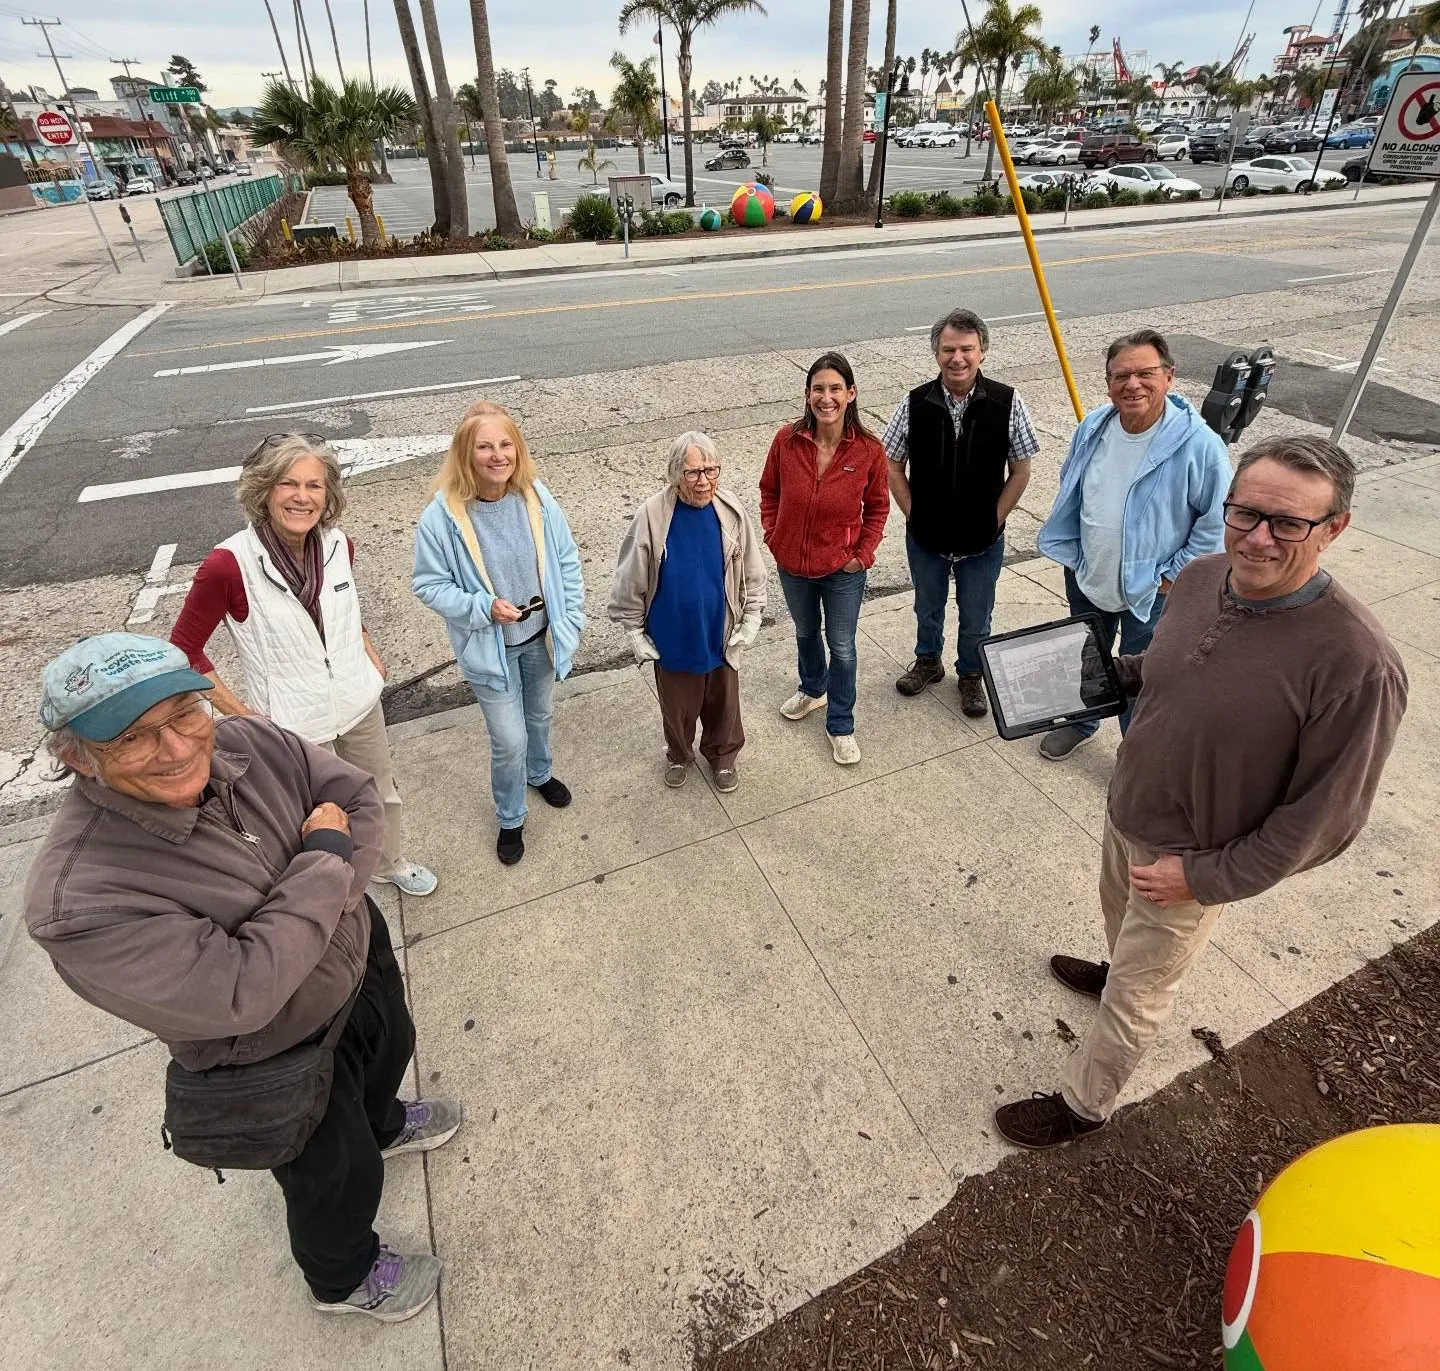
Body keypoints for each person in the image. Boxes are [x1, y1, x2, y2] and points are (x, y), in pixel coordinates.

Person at [23, 633, 462, 1322]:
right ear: (78, 757)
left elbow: (359, 798)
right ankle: (342, 1278)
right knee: (331, 1176)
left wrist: (303, 914)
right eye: (133, 737)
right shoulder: (78, 899)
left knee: (389, 1050)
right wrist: (322, 855)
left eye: (183, 715)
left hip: (358, 962)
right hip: (278, 1052)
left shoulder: (248, 742)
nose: (175, 748)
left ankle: (383, 1120)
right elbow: (245, 989)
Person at [994, 436, 1408, 1149]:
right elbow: (1166, 664)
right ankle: (1115, 966)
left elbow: (1323, 822)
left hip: (1192, 860)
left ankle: (1084, 1106)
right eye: (1245, 513)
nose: (1257, 537)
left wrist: (1205, 877)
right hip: (1130, 810)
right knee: (1119, 925)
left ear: (1333, 527)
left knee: (1139, 995)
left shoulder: (1357, 664)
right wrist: (1097, 674)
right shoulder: (1200, 576)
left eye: (1288, 523)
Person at [170, 433, 437, 897]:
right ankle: (332, 892)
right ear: (264, 490)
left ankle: (390, 862)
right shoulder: (229, 565)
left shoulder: (338, 546)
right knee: (315, 816)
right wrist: (241, 713)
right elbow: (184, 649)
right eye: (288, 484)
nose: (302, 497)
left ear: (328, 495)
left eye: (314, 486)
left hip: (358, 701)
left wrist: (367, 649)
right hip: (293, 724)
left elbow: (343, 609)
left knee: (380, 795)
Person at [1035, 330, 1230, 760]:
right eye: (1121, 375)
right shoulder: (1094, 426)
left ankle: (1137, 751)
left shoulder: (1199, 445)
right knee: (1088, 655)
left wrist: (1172, 576)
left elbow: (1218, 522)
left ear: (1169, 376)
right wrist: (1075, 552)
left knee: (1144, 671)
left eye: (1145, 373)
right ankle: (1082, 722)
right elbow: (1073, 486)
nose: (1133, 384)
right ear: (1108, 382)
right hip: (1090, 573)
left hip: (1152, 588)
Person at [412, 401, 584, 867]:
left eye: (505, 444)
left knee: (541, 718)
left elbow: (566, 561)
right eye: (484, 446)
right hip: (491, 650)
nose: (497, 455)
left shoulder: (536, 498)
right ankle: (511, 818)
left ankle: (540, 772)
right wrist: (481, 607)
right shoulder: (442, 517)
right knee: (508, 740)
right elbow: (427, 584)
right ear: (466, 454)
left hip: (540, 638)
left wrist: (573, 618)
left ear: (518, 449)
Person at [884, 308, 1039, 718]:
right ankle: (928, 662)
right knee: (927, 607)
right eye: (948, 349)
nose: (958, 358)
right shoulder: (914, 402)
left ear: (982, 351)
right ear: (935, 352)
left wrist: (995, 519)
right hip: (926, 538)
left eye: (966, 349)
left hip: (982, 541)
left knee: (976, 615)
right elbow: (891, 464)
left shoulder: (1008, 401)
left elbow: (1021, 470)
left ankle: (970, 674)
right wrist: (912, 512)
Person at [608, 432, 766, 792]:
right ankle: (679, 754)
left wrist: (752, 615)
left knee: (724, 704)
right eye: (694, 472)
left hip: (720, 630)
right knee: (677, 708)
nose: (705, 481)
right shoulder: (652, 514)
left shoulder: (730, 509)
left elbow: (753, 568)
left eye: (712, 470)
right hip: (673, 635)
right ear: (675, 474)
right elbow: (630, 577)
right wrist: (634, 631)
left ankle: (723, 757)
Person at [759, 351, 890, 765]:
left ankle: (841, 723)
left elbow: (878, 508)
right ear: (807, 394)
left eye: (835, 388)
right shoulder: (786, 440)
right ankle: (812, 689)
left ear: (851, 394)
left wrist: (861, 555)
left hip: (842, 570)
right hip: (792, 565)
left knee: (843, 647)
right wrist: (773, 535)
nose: (826, 397)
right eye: (818, 389)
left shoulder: (868, 449)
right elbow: (770, 491)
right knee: (804, 633)